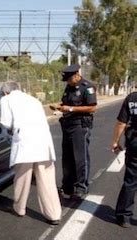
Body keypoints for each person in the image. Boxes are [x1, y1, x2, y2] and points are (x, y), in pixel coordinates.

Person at [0, 81, 61, 225]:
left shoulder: (6, 99)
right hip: (43, 142)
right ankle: (54, 214)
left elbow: (6, 123)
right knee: (47, 180)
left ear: (5, 92)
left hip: (24, 143)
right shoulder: (34, 100)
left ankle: (19, 208)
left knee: (22, 178)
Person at [57, 64, 97, 200]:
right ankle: (67, 185)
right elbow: (65, 103)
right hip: (67, 125)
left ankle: (81, 186)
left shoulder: (87, 87)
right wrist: (60, 107)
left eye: (69, 79)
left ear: (76, 75)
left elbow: (92, 108)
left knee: (80, 157)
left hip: (80, 125)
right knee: (67, 157)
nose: (67, 82)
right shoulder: (69, 87)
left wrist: (70, 109)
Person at [110, 91, 137, 228]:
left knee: (131, 181)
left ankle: (124, 217)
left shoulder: (132, 98)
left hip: (135, 144)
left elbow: (121, 123)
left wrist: (115, 142)